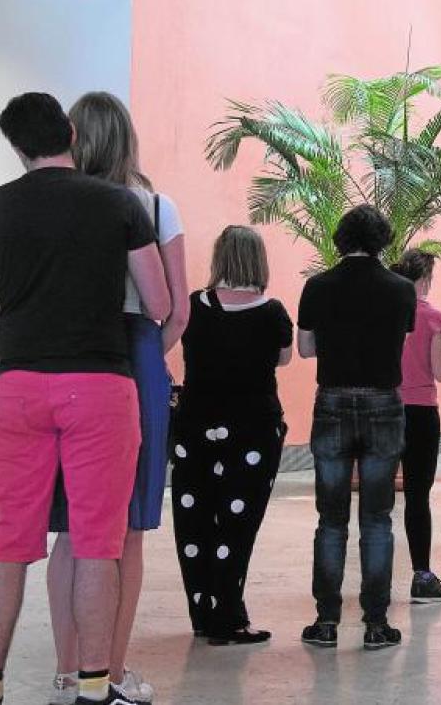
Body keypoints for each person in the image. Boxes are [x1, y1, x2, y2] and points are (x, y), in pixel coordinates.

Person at [0, 92, 169, 705]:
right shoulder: (120, 204)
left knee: (8, 542)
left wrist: (24, 320)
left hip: (17, 387)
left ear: (17, 148)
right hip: (100, 387)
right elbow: (157, 303)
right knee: (97, 541)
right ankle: (93, 688)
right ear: (70, 133)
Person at [45, 91, 189, 704]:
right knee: (126, 530)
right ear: (128, 138)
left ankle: (66, 670)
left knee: (71, 530)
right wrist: (149, 355)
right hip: (136, 355)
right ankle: (111, 670)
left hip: (67, 358)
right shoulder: (154, 206)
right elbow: (175, 309)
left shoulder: (57, 205)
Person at [298, 206, 416, 651]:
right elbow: (399, 342)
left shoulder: (317, 286)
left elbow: (305, 349)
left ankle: (326, 621)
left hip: (332, 401)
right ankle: (376, 624)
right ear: (382, 240)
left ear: (341, 238)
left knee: (331, 519)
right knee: (378, 519)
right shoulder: (401, 289)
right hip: (383, 402)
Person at [170, 226, 292, 646]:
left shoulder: (193, 306)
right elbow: (282, 359)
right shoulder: (273, 312)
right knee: (237, 524)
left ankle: (203, 613)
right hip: (253, 427)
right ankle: (228, 615)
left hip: (194, 425)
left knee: (194, 521)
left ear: (219, 257)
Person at [391, 249, 441, 603]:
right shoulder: (434, 319)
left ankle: (376, 575)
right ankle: (421, 575)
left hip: (386, 409)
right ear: (426, 279)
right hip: (421, 413)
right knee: (417, 496)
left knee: (377, 498)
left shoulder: (385, 312)